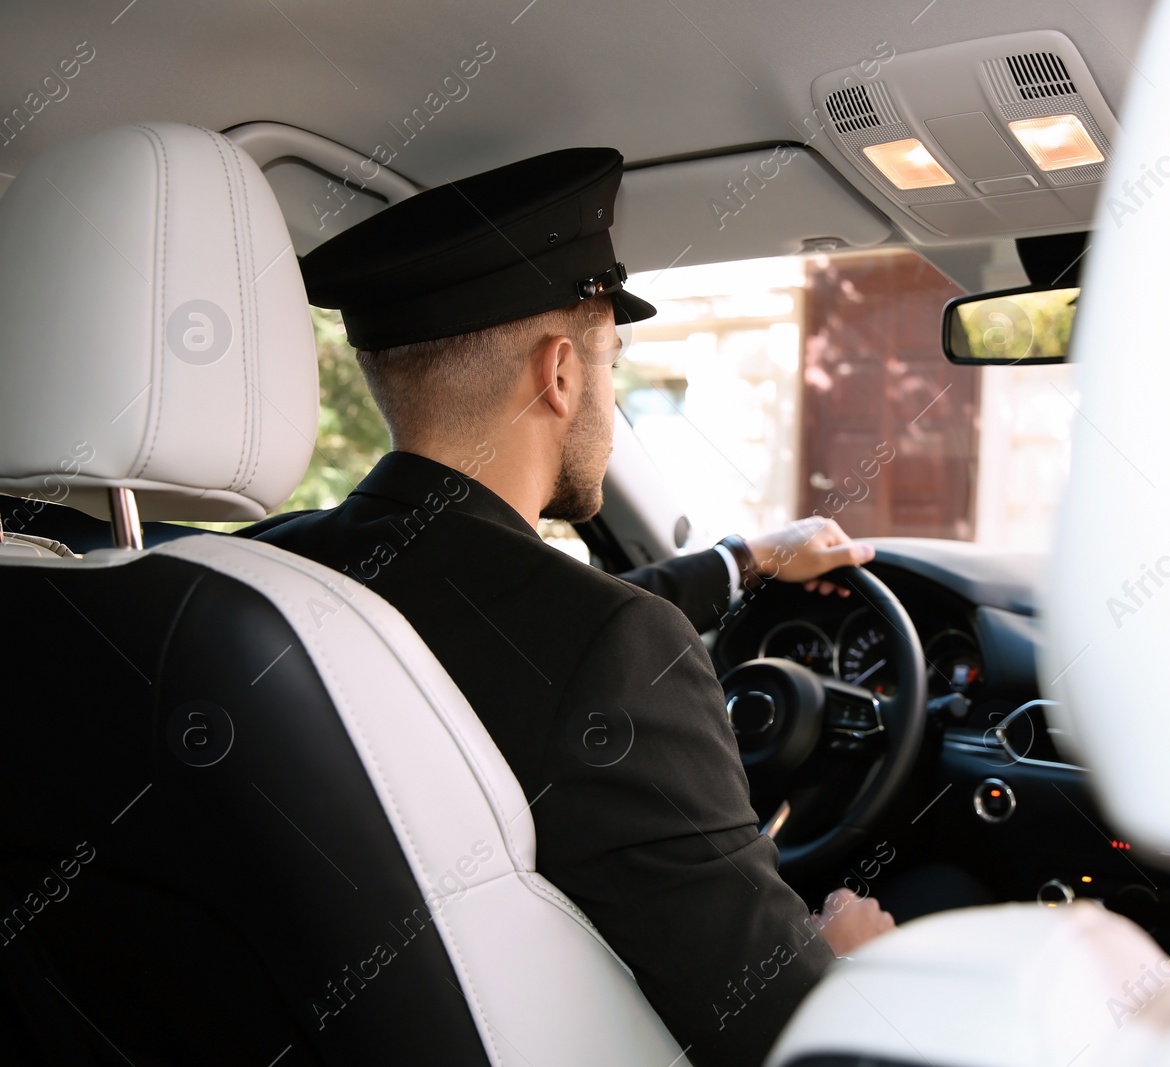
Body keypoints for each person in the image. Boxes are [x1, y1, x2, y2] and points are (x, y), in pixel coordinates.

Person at [243, 147, 894, 1066]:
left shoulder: (255, 576)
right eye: (610, 361)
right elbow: (780, 1029)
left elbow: (514, 630)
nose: (606, 394)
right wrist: (854, 971)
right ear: (560, 373)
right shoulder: (614, 650)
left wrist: (743, 560)